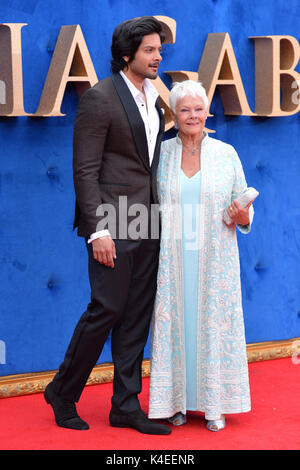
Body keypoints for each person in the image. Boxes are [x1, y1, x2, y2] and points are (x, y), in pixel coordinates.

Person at [44, 16, 171, 436]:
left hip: (147, 221)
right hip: (112, 224)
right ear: (126, 54)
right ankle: (62, 392)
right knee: (107, 310)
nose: (158, 56)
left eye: (159, 49)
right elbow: (85, 170)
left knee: (136, 315)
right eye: (150, 49)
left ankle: (125, 404)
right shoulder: (100, 97)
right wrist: (98, 231)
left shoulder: (154, 99)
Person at [148, 80, 254, 431]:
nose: (193, 115)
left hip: (215, 260)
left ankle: (214, 406)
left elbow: (244, 206)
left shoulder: (226, 153)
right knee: (177, 327)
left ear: (207, 111)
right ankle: (175, 403)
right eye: (185, 110)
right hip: (173, 259)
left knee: (211, 326)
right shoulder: (161, 155)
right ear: (173, 115)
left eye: (198, 109)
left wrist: (242, 214)